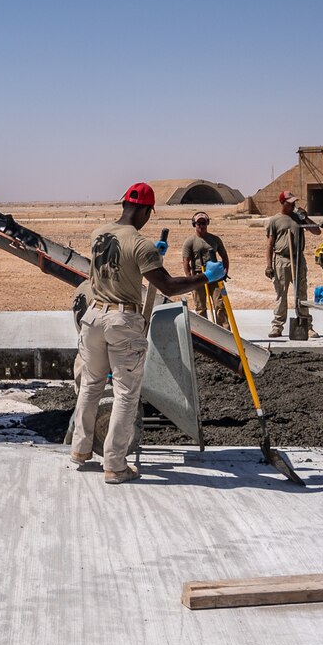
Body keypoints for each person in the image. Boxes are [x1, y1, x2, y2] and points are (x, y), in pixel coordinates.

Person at [70, 183, 220, 484]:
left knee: (91, 385)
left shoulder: (98, 233)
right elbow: (169, 287)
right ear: (143, 209)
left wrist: (149, 259)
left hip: (94, 318)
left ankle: (80, 449)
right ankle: (114, 465)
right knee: (126, 394)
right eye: (148, 212)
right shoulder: (141, 245)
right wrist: (205, 277)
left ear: (124, 203)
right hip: (121, 322)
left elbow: (116, 263)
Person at [263, 192, 320, 337]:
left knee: (301, 293)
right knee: (281, 294)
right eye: (290, 202)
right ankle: (277, 326)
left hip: (298, 259)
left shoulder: (298, 218)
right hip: (282, 260)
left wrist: (305, 217)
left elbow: (317, 231)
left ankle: (306, 325)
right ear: (282, 202)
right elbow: (269, 244)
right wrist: (269, 265)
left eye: (294, 202)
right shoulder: (274, 220)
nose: (293, 204)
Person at [181, 211, 231, 324]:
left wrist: (225, 271)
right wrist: (189, 279)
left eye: (204, 223)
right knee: (200, 307)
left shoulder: (215, 239)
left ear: (207, 223)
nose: (201, 226)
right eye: (199, 223)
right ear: (194, 224)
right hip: (198, 276)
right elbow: (185, 261)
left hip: (214, 276)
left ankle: (223, 332)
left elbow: (224, 256)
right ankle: (206, 332)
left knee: (220, 305)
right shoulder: (190, 241)